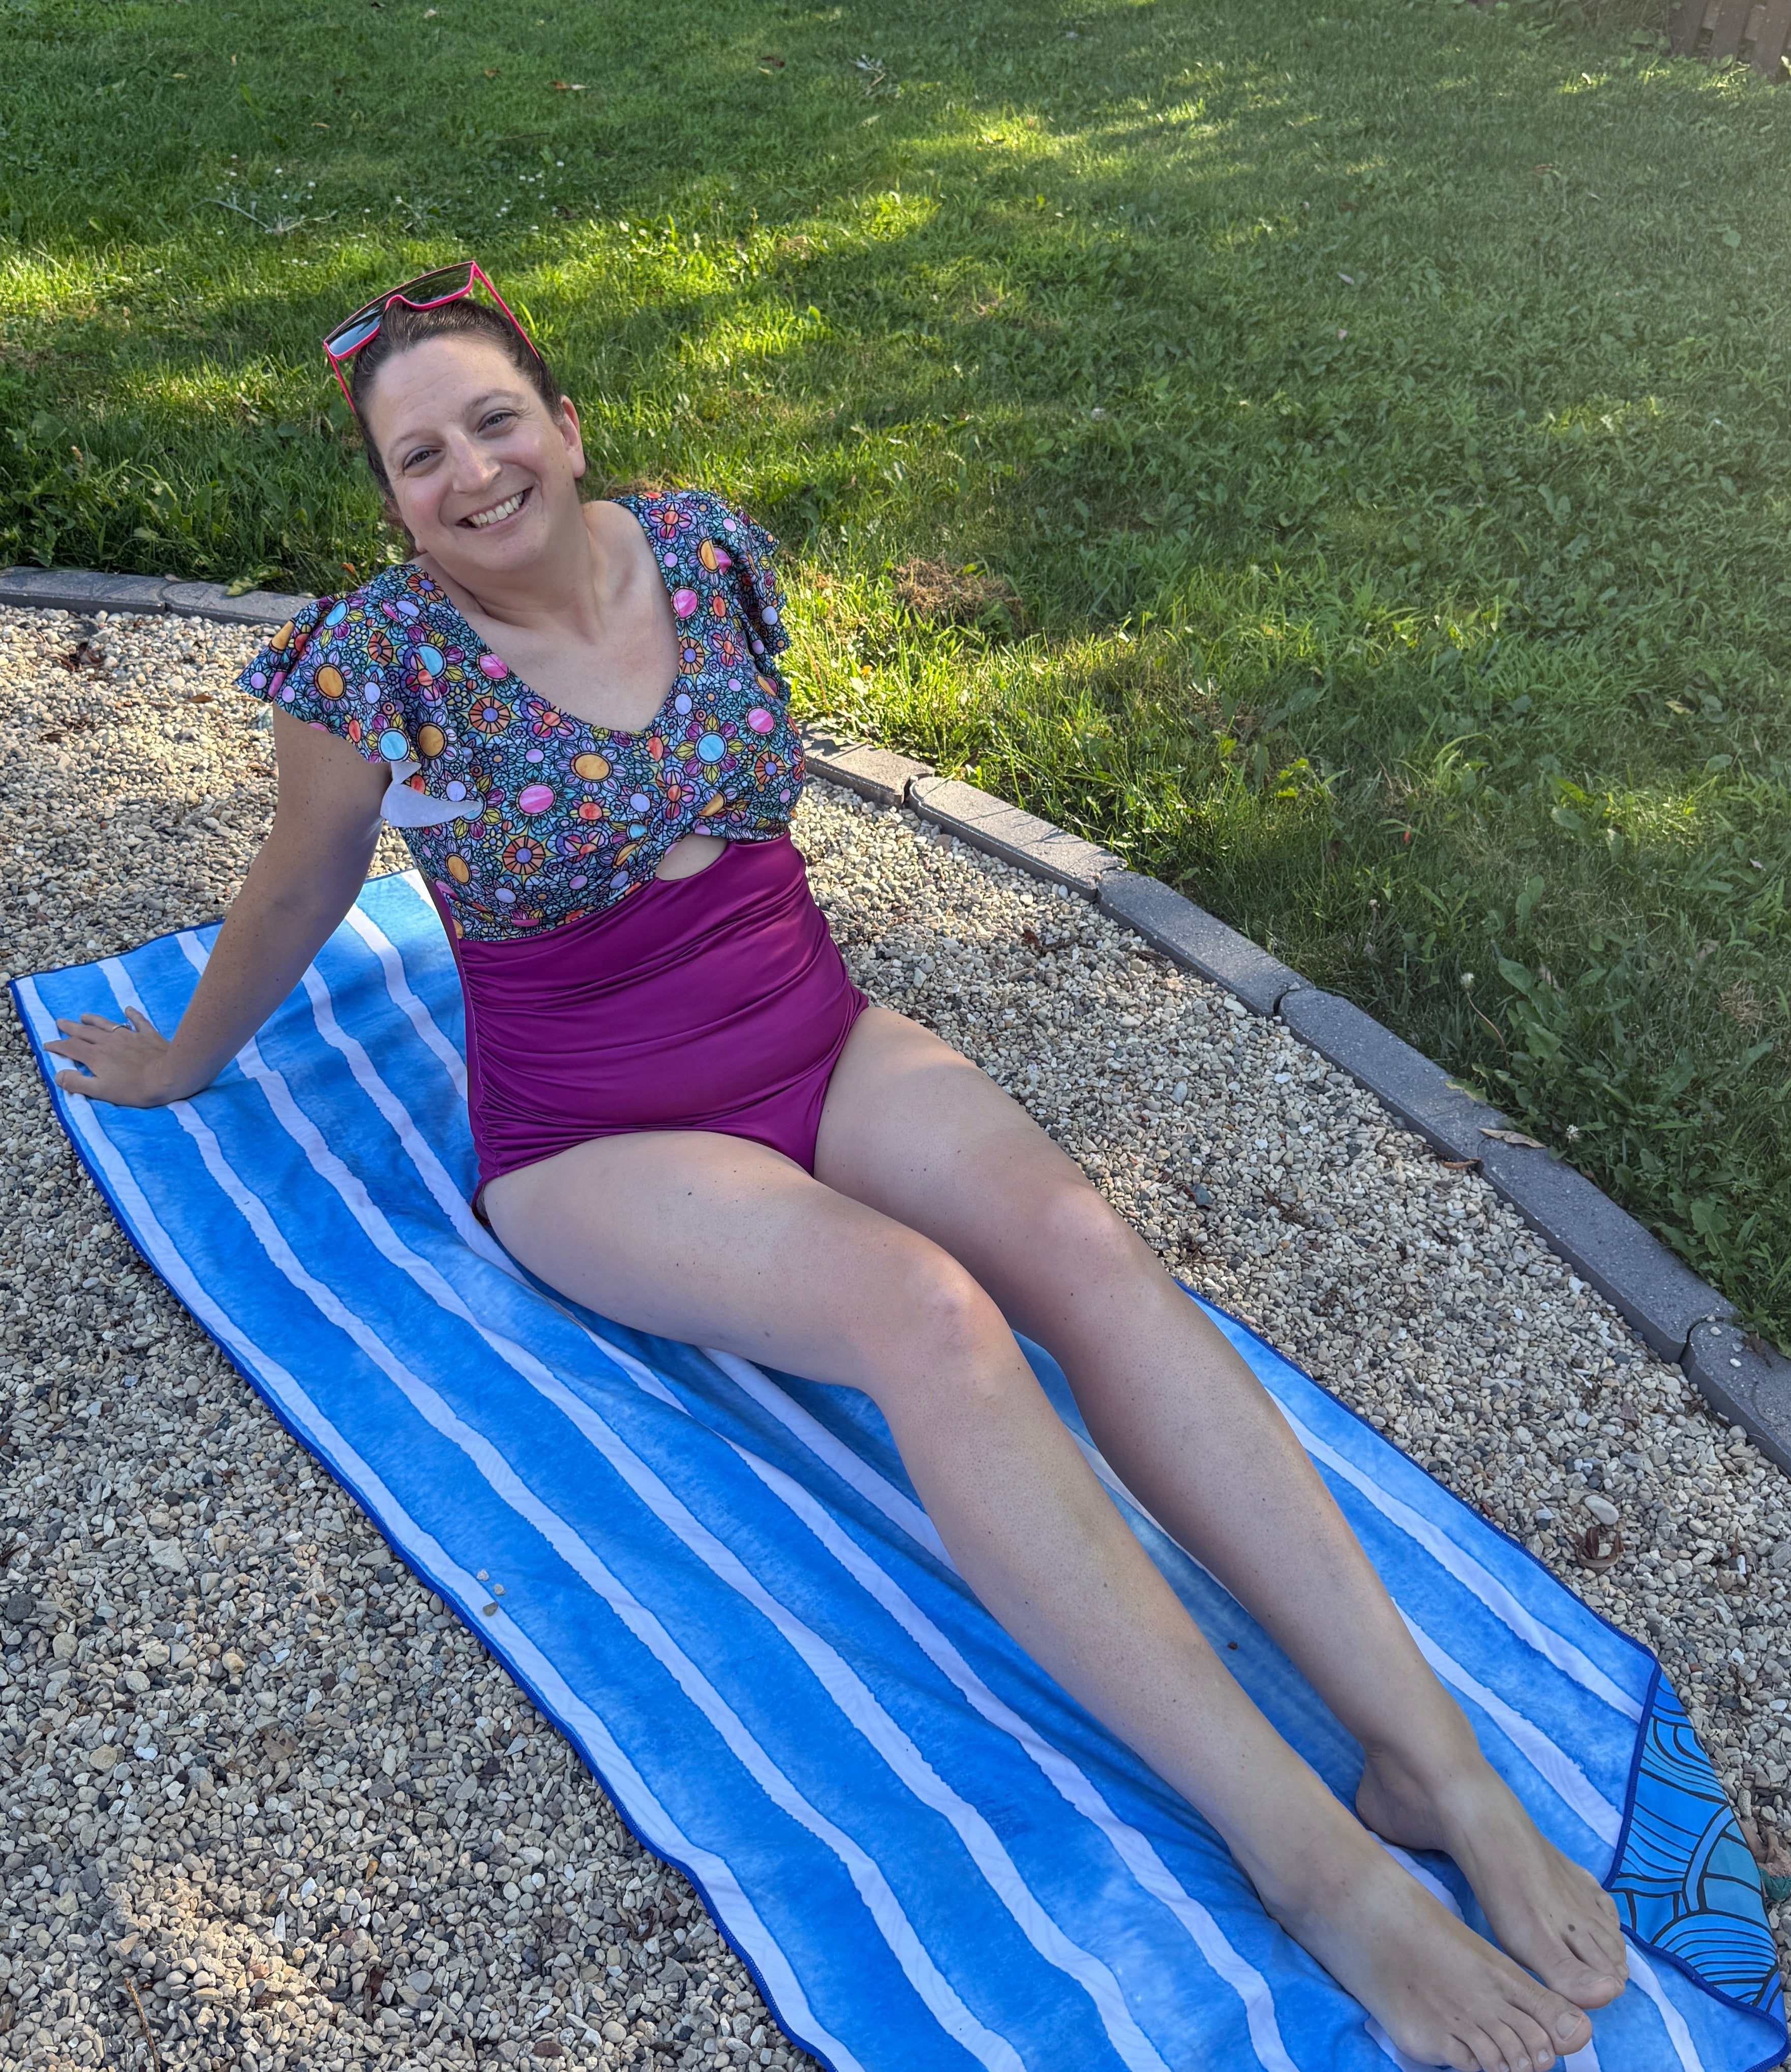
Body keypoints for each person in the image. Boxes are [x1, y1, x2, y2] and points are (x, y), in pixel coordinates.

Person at [48, 265, 1626, 2072]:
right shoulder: (372, 667)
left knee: (1081, 1247)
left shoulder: (708, 549)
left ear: (566, 427)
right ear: (396, 501)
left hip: (813, 1034)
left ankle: (1431, 1758)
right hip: (594, 1133)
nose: (469, 473)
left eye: (494, 421)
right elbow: (295, 888)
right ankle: (1311, 1862)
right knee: (924, 1313)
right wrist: (186, 1054)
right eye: (418, 459)